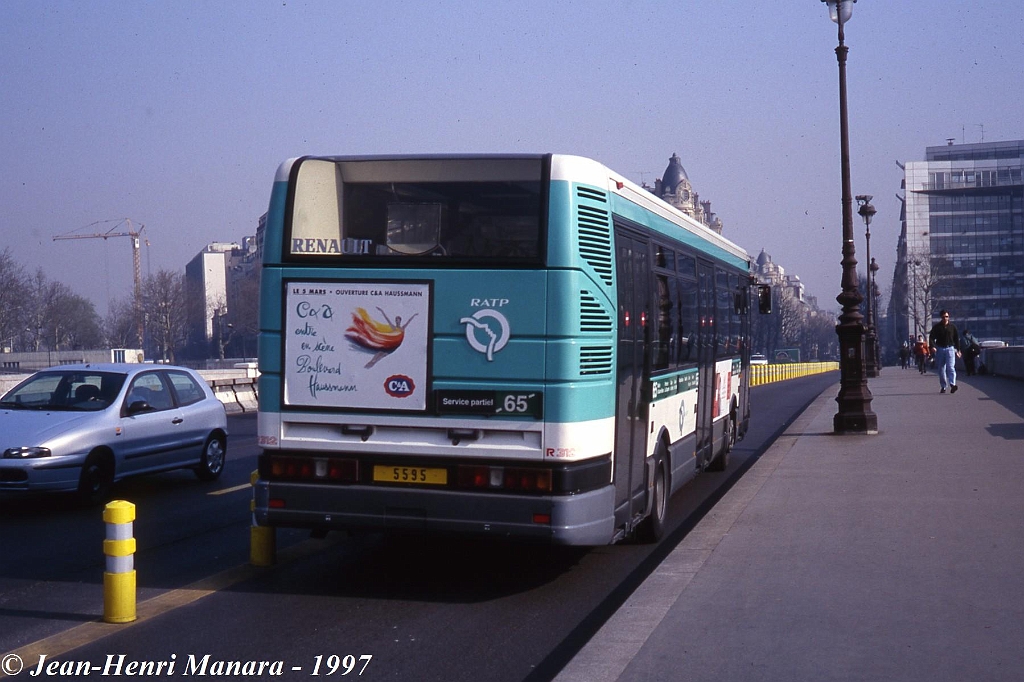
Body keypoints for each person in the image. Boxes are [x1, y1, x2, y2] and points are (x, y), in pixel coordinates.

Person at [929, 310, 962, 393]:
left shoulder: (952, 327)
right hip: (940, 349)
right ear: (941, 317)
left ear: (948, 317)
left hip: (950, 348)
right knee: (941, 369)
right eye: (943, 317)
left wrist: (958, 350)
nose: (945, 318)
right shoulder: (937, 327)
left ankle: (952, 384)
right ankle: (943, 386)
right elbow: (931, 338)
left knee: (951, 367)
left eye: (946, 317)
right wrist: (932, 346)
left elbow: (956, 339)